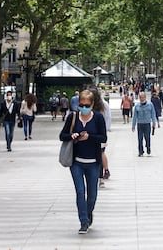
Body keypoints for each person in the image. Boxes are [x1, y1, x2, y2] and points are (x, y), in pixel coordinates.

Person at [59, 90, 107, 234]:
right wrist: (71, 135)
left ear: (92, 104)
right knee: (80, 192)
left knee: (92, 194)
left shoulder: (98, 118)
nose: (84, 107)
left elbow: (103, 138)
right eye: (81, 105)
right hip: (76, 163)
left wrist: (89, 137)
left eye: (87, 105)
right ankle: (83, 221)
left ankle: (88, 211)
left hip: (93, 162)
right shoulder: (72, 117)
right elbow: (62, 135)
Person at [88, 87, 112, 188]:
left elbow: (107, 118)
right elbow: (108, 118)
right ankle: (100, 177)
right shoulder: (102, 105)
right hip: (99, 134)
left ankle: (99, 176)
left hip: (97, 134)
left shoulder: (102, 105)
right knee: (100, 154)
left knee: (98, 154)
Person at [132, 92, 157, 156]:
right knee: (140, 138)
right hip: (140, 124)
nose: (141, 99)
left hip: (147, 124)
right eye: (140, 97)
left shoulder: (150, 104)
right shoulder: (137, 106)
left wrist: (154, 122)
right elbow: (134, 116)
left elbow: (153, 114)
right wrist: (133, 125)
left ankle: (148, 148)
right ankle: (140, 151)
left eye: (142, 97)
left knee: (147, 138)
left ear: (145, 97)